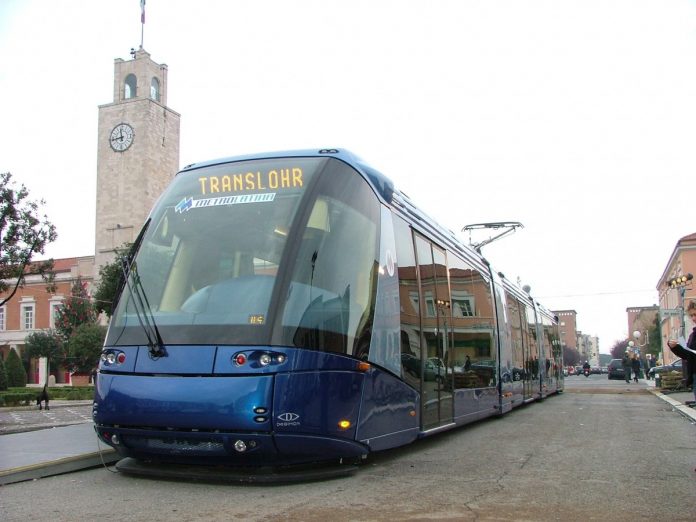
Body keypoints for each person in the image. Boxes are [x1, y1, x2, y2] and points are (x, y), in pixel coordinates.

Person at [667, 300, 696, 406]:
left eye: (695, 314)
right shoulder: (693, 335)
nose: (693, 318)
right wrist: (675, 347)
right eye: (692, 315)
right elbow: (688, 355)